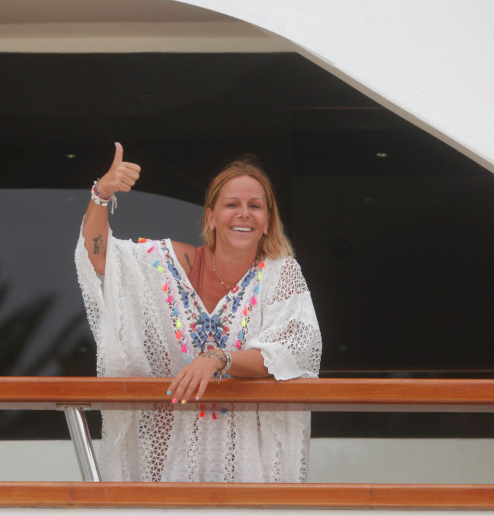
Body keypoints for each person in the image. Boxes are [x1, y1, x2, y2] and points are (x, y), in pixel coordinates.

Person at [75, 143, 322, 482]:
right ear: (211, 217)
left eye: (255, 206)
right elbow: (99, 259)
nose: (244, 213)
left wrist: (218, 358)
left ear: (268, 222)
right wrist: (102, 194)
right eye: (232, 204)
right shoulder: (170, 264)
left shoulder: (282, 274)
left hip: (249, 462)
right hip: (173, 455)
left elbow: (291, 352)